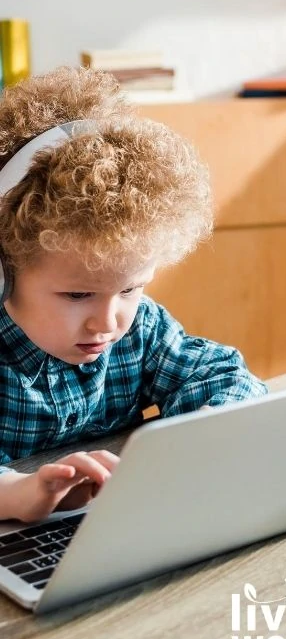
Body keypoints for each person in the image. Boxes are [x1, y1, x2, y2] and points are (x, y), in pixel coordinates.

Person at [0, 67, 267, 522]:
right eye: (78, 294)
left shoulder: (140, 328)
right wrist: (16, 492)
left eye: (130, 288)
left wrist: (198, 437)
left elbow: (222, 375)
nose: (107, 322)